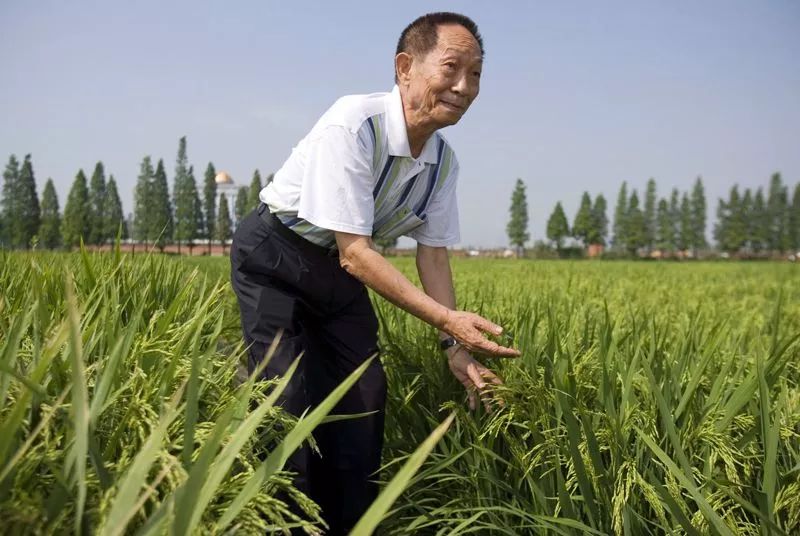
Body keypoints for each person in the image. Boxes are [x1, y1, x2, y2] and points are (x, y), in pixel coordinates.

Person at [230, 11, 519, 534]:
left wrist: (454, 345)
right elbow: (356, 253)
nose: (464, 86)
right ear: (405, 67)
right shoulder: (353, 124)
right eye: (452, 67)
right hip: (276, 255)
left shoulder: (442, 162)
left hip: (338, 274)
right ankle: (285, 522)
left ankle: (349, 523)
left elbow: (432, 254)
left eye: (476, 73)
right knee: (286, 399)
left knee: (364, 396)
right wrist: (448, 321)